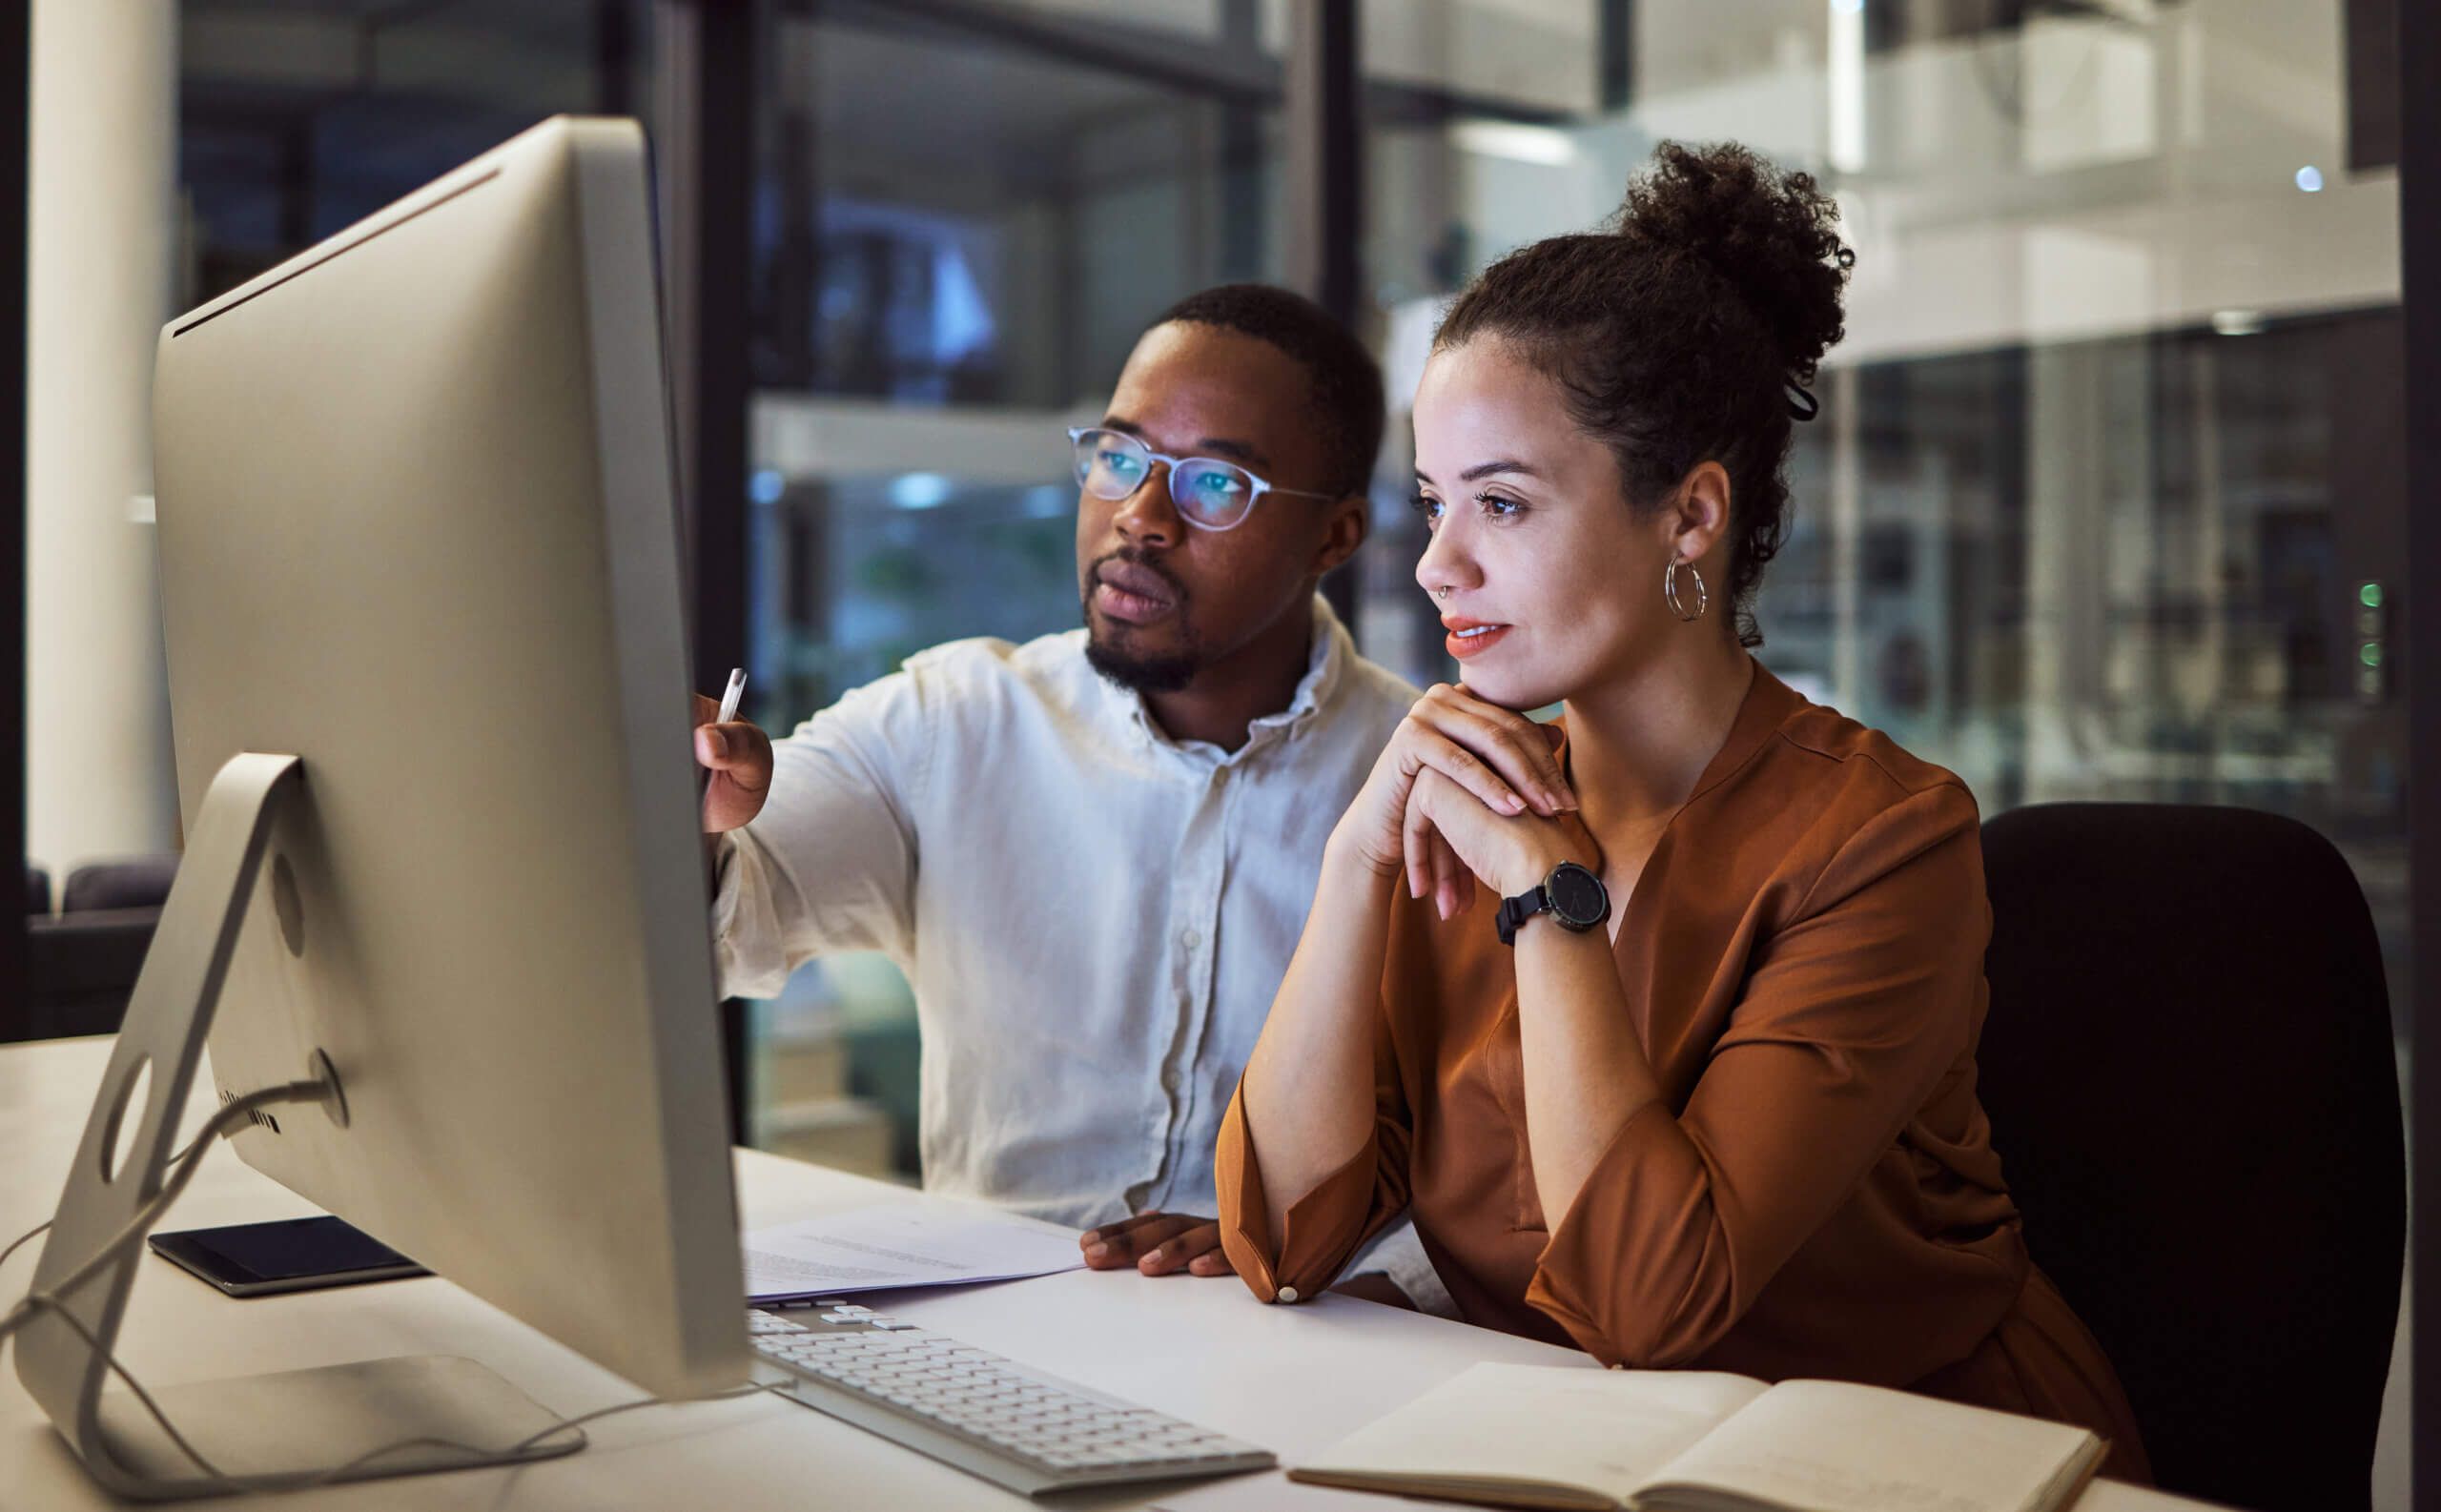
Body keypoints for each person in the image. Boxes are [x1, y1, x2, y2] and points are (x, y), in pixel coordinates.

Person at [1215, 144, 2150, 1479]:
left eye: (1503, 502)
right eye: (1432, 504)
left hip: (1895, 1463)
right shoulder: (1461, 798)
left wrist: (1550, 898)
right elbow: (1278, 1237)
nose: (1438, 562)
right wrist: (1356, 858)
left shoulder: (1884, 837)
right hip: (1557, 1450)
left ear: (1691, 514)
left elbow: (1654, 1304)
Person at [695, 284, 1446, 1310]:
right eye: (1121, 455)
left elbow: (1492, 1178)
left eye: (1216, 483)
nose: (1138, 516)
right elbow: (730, 923)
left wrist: (1321, 1251)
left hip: (1303, 1338)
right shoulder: (954, 719)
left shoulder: (1427, 786)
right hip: (986, 1333)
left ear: (1337, 536)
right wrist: (689, 817)